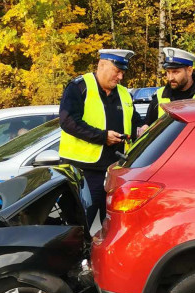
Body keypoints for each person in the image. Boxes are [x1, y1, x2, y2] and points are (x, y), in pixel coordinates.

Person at [59, 48, 148, 226]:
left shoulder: (124, 93)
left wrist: (142, 127)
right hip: (83, 172)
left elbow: (134, 119)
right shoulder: (79, 87)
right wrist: (102, 136)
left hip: (116, 171)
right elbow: (67, 121)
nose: (120, 77)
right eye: (117, 71)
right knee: (79, 225)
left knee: (112, 226)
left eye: (123, 72)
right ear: (102, 65)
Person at [145, 47, 195, 125]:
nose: (170, 78)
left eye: (175, 72)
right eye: (168, 72)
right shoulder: (159, 97)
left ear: (189, 71)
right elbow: (148, 128)